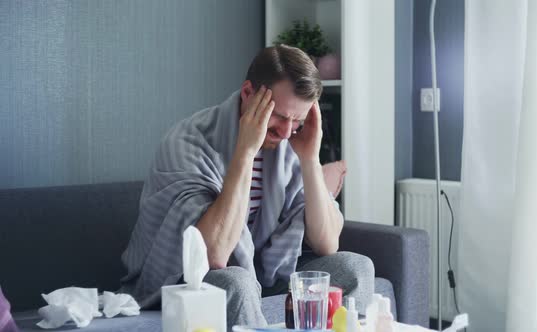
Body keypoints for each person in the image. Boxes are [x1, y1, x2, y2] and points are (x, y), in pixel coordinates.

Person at [120, 45, 374, 329]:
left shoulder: (289, 143)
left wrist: (309, 159)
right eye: (278, 116)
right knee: (235, 281)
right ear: (247, 94)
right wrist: (245, 151)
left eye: (298, 122)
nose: (287, 132)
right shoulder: (188, 142)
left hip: (263, 278)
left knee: (354, 268)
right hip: (186, 283)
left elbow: (327, 243)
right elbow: (213, 254)